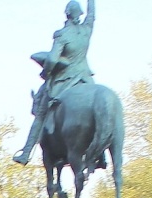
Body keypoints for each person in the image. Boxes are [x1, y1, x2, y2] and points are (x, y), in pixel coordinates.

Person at [14, 0, 97, 165]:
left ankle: (26, 153)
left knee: (41, 115)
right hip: (86, 79)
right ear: (79, 14)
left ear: (67, 14)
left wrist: (45, 72)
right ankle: (100, 156)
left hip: (65, 79)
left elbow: (52, 59)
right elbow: (92, 16)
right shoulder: (86, 30)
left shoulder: (62, 34)